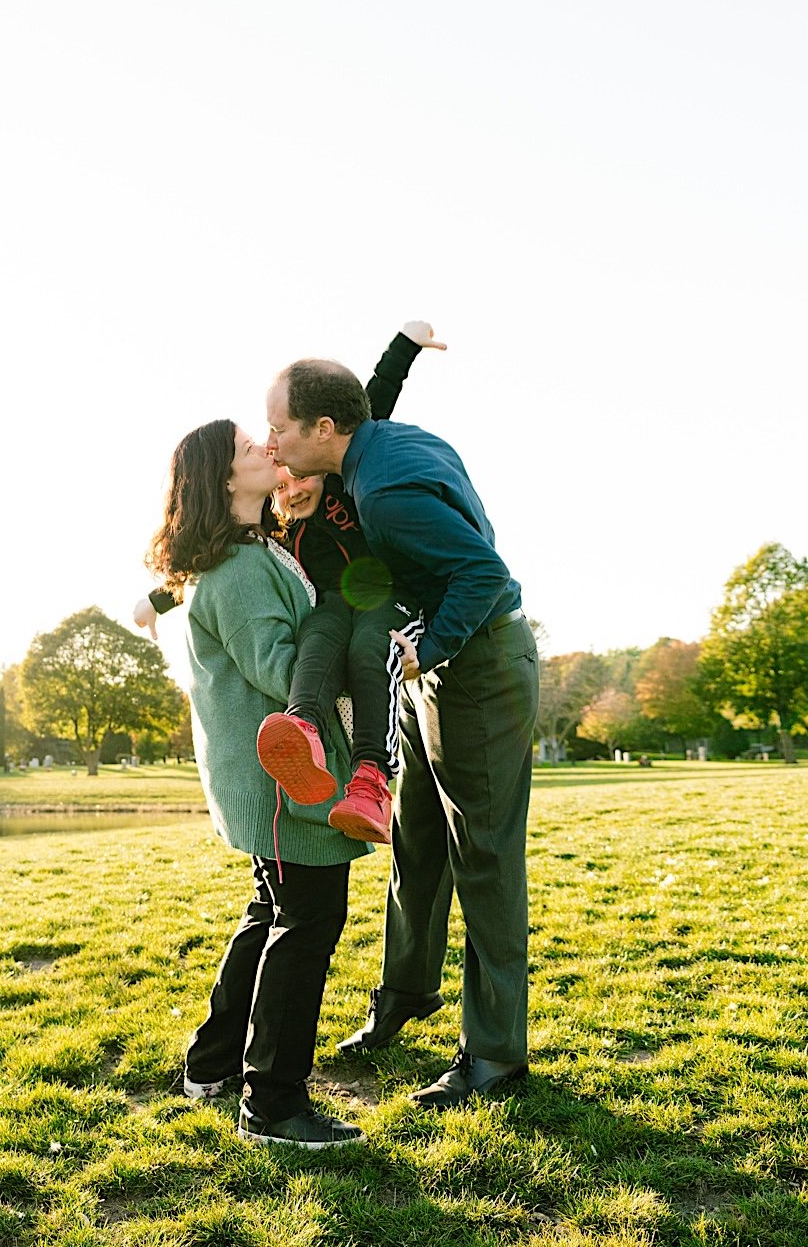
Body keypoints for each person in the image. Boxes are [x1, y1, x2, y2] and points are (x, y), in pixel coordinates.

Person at [264, 340, 539, 1110]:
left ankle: (493, 1053)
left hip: (480, 668)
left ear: (323, 427)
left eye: (279, 427)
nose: (274, 443)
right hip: (439, 672)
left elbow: (482, 571)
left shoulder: (383, 489)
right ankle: (406, 991)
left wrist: (429, 646)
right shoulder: (377, 442)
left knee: (481, 855)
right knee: (415, 838)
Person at [147, 417, 369, 1149]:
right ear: (222, 481)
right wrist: (341, 619)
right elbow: (281, 673)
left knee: (271, 911)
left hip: (264, 781)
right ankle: (270, 1102)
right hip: (282, 784)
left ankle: (211, 1066)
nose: (266, 449)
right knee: (305, 923)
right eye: (249, 448)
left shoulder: (247, 550)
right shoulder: (239, 571)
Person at [134, 324, 445, 842]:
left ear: (323, 465)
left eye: (302, 477)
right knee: (316, 643)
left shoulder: (346, 488)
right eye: (284, 483)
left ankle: (371, 781)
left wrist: (405, 346)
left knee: (371, 650)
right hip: (330, 609)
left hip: (384, 600)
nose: (294, 488)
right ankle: (301, 728)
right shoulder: (280, 527)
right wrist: (155, 600)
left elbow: (368, 406)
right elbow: (211, 549)